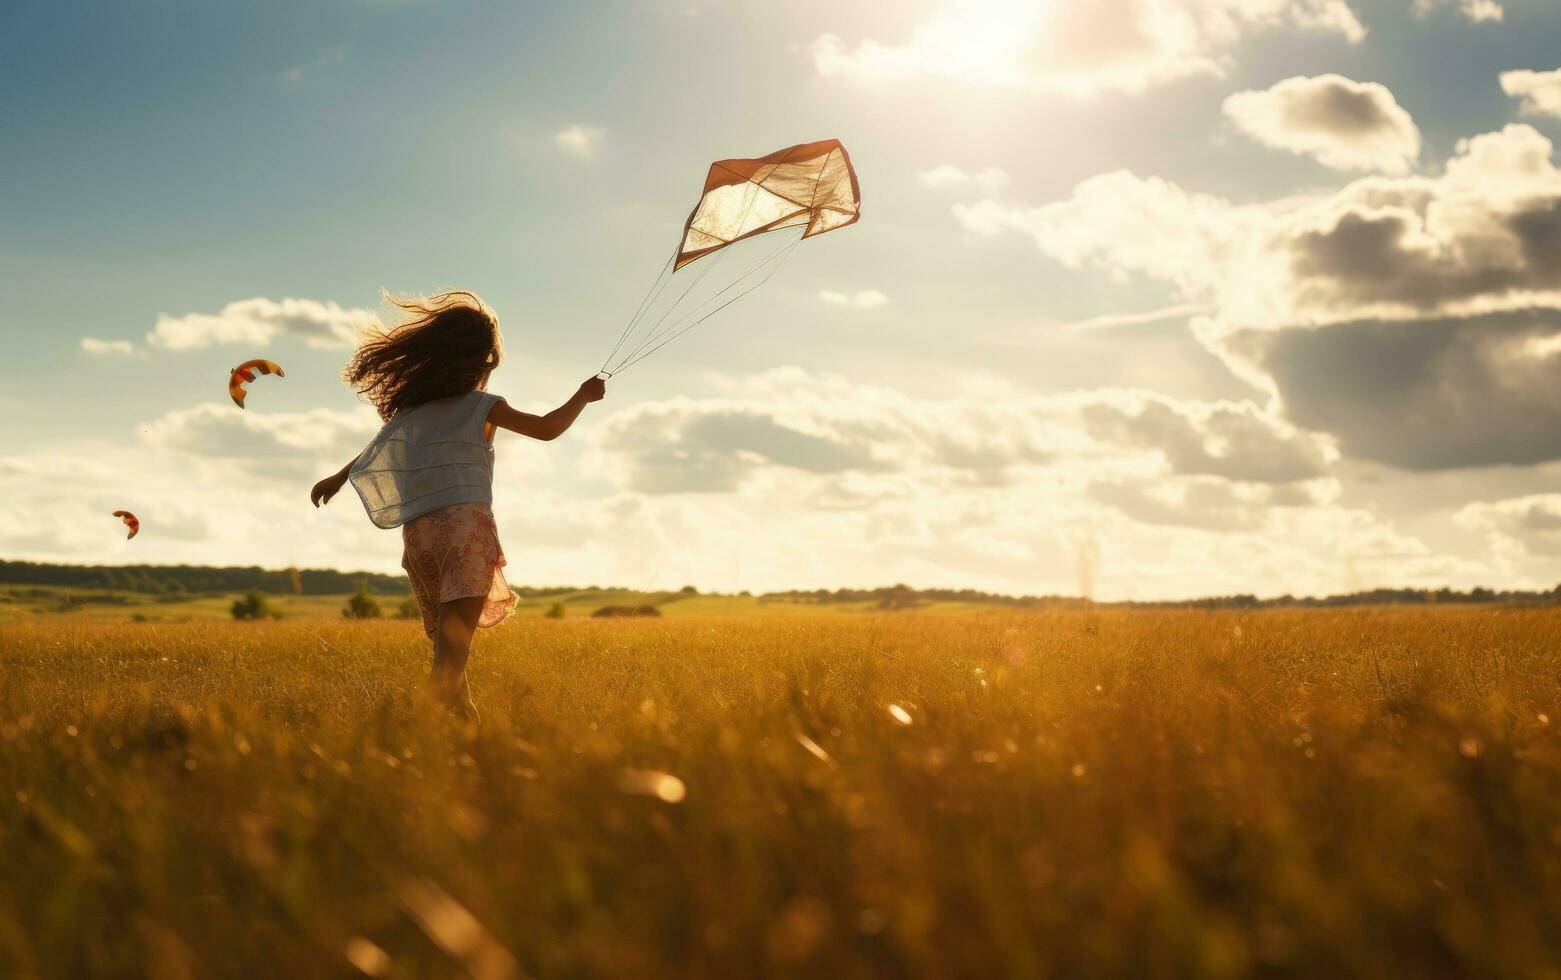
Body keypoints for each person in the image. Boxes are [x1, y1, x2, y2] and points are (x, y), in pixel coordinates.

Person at [310, 291, 606, 715]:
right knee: (449, 662)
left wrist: (338, 478)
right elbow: (546, 429)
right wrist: (582, 395)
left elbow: (377, 449)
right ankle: (413, 729)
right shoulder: (483, 406)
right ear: (478, 362)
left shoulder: (415, 409)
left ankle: (465, 737)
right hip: (466, 530)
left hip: (421, 537)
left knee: (451, 656)